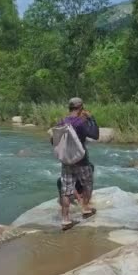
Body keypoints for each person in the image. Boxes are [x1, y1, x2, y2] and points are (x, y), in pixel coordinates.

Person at [53, 97, 99, 230]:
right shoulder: (81, 122)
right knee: (88, 183)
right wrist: (91, 119)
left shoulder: (61, 122)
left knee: (66, 191)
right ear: (81, 108)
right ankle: (85, 208)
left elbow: (53, 140)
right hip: (81, 160)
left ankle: (65, 220)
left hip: (66, 161)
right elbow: (95, 135)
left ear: (69, 108)